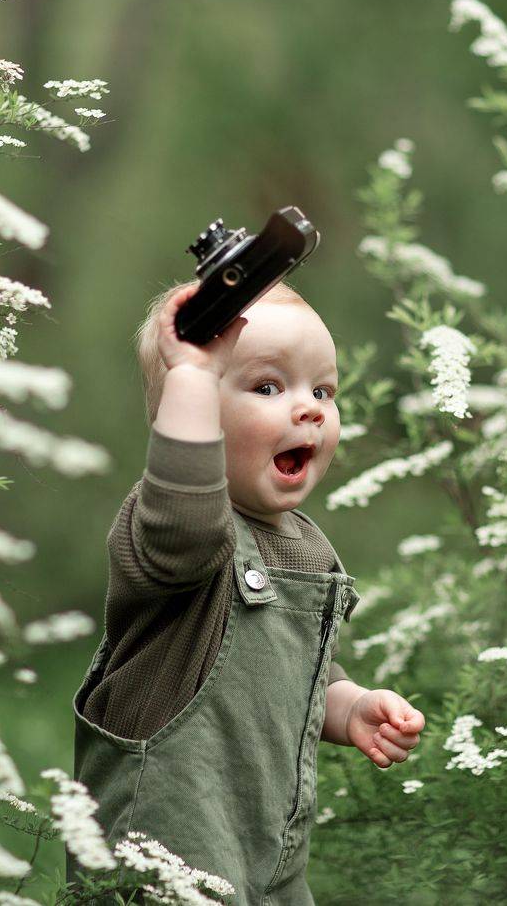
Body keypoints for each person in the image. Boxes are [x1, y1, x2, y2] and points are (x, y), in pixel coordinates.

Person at [72, 279, 426, 904]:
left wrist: (346, 706)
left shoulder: (305, 546)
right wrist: (189, 376)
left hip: (268, 853)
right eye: (268, 387)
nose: (310, 407)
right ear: (193, 414)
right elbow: (188, 520)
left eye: (323, 390)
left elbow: (287, 670)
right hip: (164, 846)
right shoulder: (175, 529)